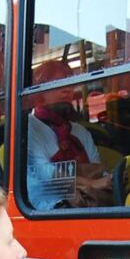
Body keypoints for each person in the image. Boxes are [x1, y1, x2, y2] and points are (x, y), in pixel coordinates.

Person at [26, 60, 113, 210]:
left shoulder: (81, 132)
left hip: (86, 203)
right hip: (49, 207)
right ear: (39, 91)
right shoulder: (29, 126)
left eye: (70, 82)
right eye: (57, 82)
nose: (67, 89)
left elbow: (97, 169)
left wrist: (109, 179)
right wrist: (91, 184)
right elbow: (45, 173)